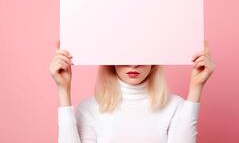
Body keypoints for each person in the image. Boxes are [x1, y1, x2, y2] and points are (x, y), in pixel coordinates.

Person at [49, 39, 216, 143]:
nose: (134, 64)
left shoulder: (176, 106)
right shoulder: (89, 109)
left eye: (142, 54)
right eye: (125, 55)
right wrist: (63, 90)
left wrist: (196, 87)